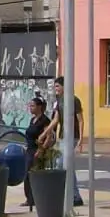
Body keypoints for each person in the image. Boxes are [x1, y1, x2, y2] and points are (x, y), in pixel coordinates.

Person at [41, 77, 85, 208]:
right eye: (55, 86)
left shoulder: (74, 100)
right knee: (65, 165)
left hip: (73, 136)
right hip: (63, 136)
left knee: (62, 163)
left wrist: (81, 139)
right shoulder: (58, 101)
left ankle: (72, 195)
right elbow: (55, 120)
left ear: (65, 86)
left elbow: (81, 120)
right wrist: (45, 133)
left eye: (58, 86)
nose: (56, 89)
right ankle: (74, 195)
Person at [22, 95, 51, 211]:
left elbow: (48, 136)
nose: (30, 108)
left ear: (39, 107)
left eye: (33, 106)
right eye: (30, 106)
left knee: (36, 175)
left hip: (37, 150)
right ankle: (29, 199)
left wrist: (41, 149)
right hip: (29, 150)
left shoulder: (44, 120)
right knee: (27, 175)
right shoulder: (32, 120)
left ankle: (37, 198)